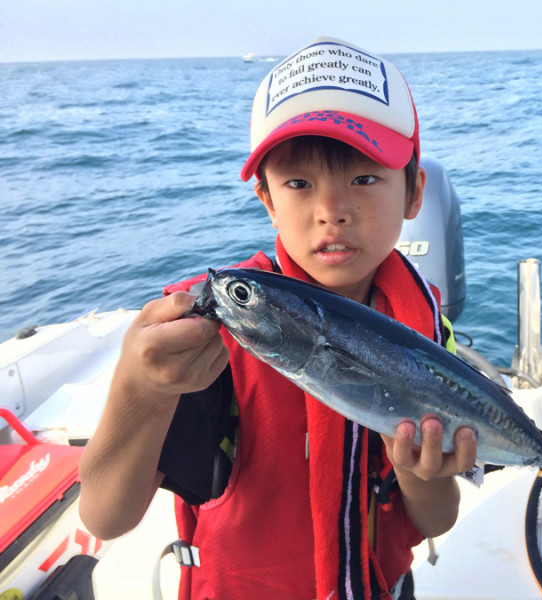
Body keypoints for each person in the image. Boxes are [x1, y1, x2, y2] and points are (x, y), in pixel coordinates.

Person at [79, 36, 477, 600]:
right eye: (298, 183)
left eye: (364, 178)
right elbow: (106, 516)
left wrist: (417, 471)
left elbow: (436, 519)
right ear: (266, 198)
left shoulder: (424, 329)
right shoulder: (210, 336)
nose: (331, 211)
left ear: (415, 192)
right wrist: (141, 388)